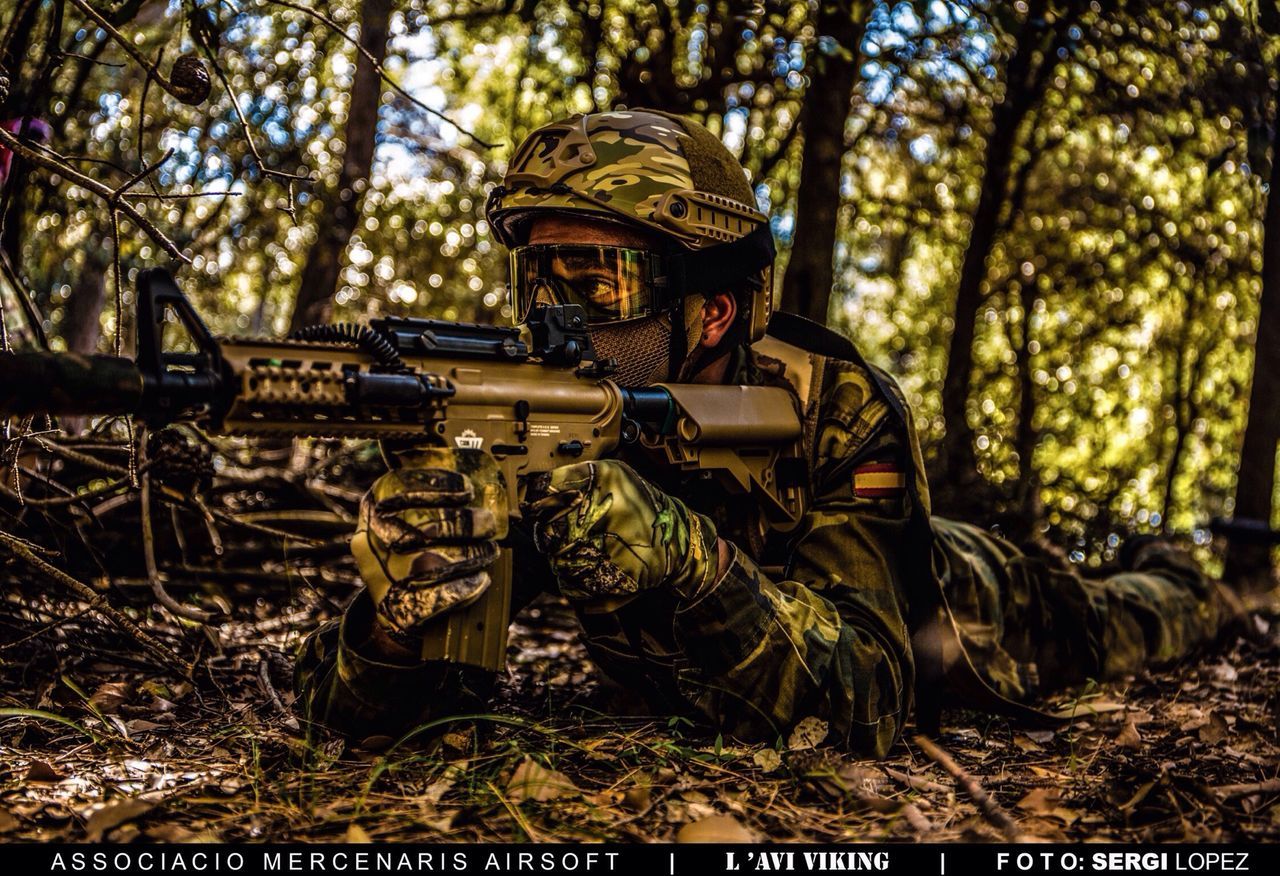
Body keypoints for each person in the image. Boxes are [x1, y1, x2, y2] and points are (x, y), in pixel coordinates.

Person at [294, 110, 1236, 756]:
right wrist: (396, 616)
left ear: (711, 313)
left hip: (971, 608)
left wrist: (691, 562)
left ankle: (1198, 572)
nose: (557, 314)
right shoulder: (544, 412)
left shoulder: (834, 404)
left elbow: (871, 696)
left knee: (1136, 614)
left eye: (598, 280)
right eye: (538, 278)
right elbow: (358, 721)